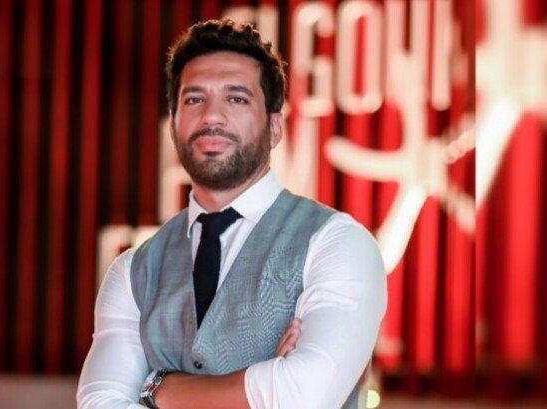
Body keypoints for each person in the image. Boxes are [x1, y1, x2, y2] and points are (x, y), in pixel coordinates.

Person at [77, 19, 387, 409]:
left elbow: (303, 396)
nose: (212, 116)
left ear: (274, 127)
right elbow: (99, 404)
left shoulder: (337, 242)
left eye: (236, 99)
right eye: (194, 100)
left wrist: (157, 388)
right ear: (173, 125)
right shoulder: (132, 271)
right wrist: (264, 385)